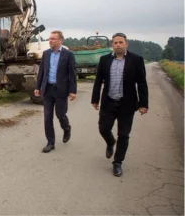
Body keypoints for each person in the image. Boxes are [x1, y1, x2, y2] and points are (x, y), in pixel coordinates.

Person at [91, 32, 148, 177]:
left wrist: (144, 103)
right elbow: (98, 82)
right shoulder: (104, 60)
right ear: (112, 45)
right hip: (109, 102)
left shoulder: (136, 60)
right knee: (103, 128)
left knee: (123, 134)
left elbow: (142, 83)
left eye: (121, 42)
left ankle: (117, 163)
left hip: (127, 104)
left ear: (126, 44)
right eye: (115, 43)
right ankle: (110, 142)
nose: (118, 45)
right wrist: (95, 99)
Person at [34, 30, 77, 153]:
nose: (50, 40)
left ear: (60, 40)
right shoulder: (46, 54)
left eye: (53, 38)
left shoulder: (68, 54)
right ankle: (50, 142)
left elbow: (72, 74)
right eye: (50, 38)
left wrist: (72, 91)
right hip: (47, 89)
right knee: (47, 117)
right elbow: (42, 71)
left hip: (61, 90)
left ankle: (66, 128)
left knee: (60, 114)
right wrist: (37, 87)